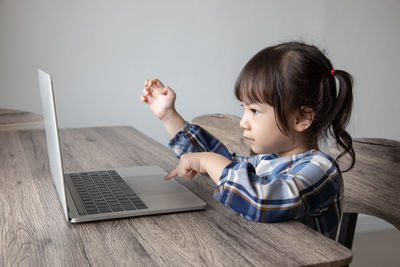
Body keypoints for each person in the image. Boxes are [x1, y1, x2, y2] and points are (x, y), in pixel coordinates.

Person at [140, 41, 355, 240]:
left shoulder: (321, 170)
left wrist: (207, 161)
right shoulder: (267, 161)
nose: (244, 122)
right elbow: (222, 164)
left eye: (254, 110)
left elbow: (261, 199)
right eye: (243, 109)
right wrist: (169, 117)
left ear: (301, 118)